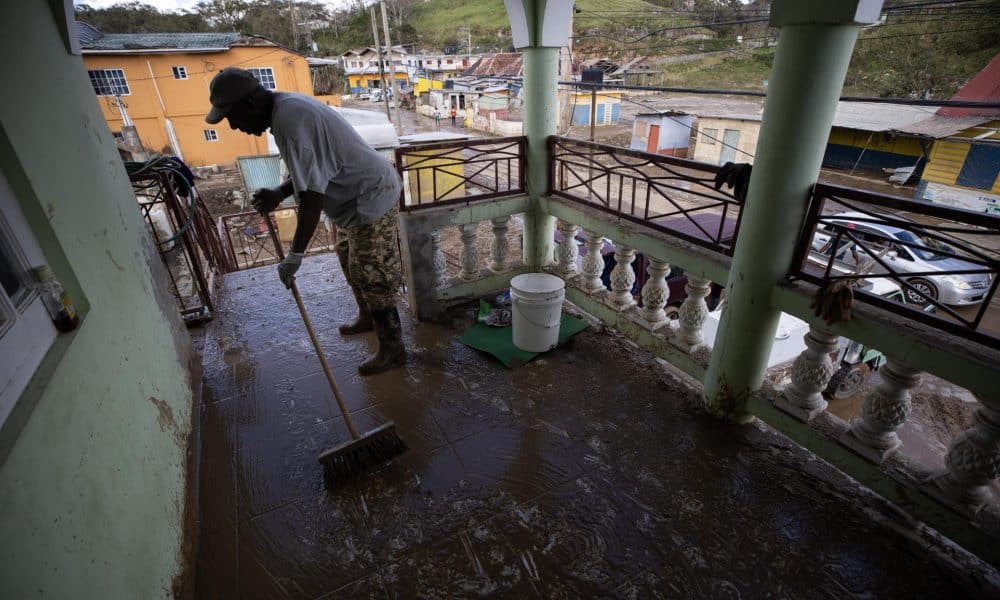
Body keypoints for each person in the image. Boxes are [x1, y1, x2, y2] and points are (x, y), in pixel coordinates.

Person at [205, 67, 405, 376]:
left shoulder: (291, 121)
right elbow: (312, 169)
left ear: (249, 103)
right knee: (348, 259)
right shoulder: (284, 110)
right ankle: (368, 317)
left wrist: (295, 255)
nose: (233, 126)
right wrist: (279, 192)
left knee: (372, 273)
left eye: (232, 116)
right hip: (353, 199)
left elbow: (312, 199)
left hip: (371, 195)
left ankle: (393, 348)